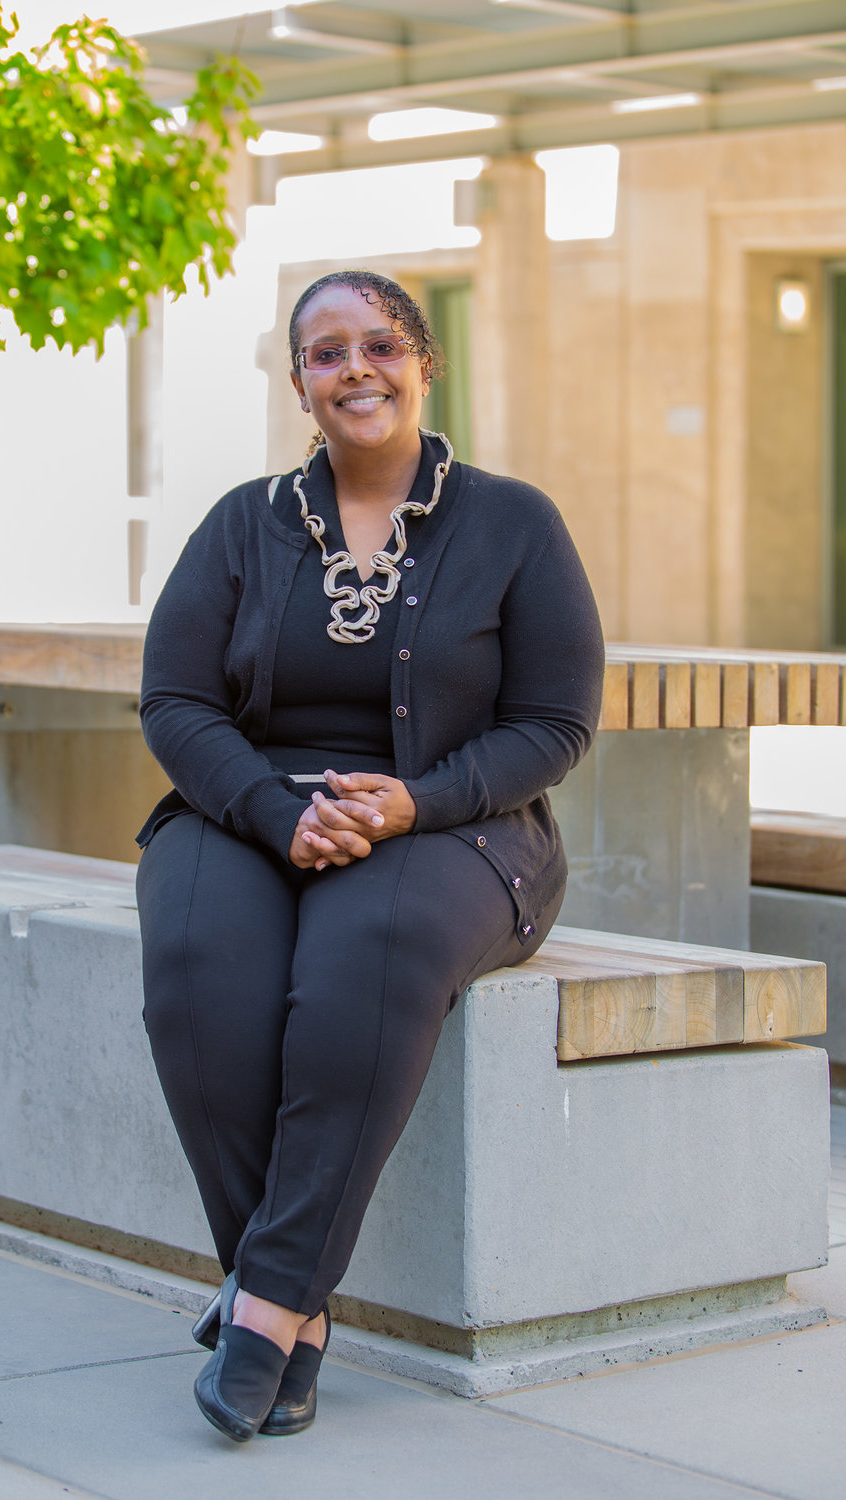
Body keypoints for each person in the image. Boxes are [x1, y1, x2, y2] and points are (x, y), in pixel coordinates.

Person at [134, 270, 605, 1442]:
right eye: (328, 353)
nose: (357, 371)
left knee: (365, 955)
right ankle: (292, 1306)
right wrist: (266, 807)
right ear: (298, 381)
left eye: (379, 346)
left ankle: (271, 1298)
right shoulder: (242, 522)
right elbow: (176, 699)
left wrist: (413, 802)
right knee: (199, 964)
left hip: (458, 825)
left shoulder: (512, 522)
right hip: (249, 812)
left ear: (423, 361)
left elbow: (555, 725)